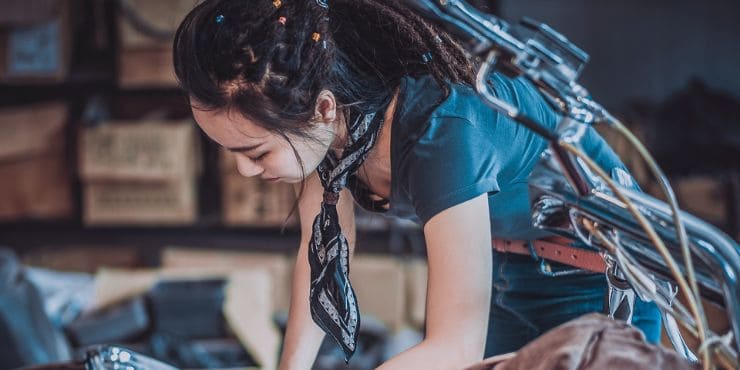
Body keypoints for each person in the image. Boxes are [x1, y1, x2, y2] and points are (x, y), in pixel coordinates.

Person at [172, 0, 662, 368]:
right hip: (510, 270)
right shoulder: (333, 132)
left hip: (596, 281)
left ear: (322, 108)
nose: (245, 172)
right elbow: (317, 256)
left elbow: (455, 346)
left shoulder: (441, 130)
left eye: (255, 152)